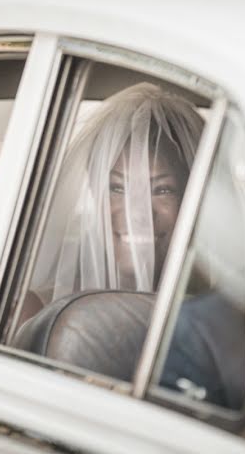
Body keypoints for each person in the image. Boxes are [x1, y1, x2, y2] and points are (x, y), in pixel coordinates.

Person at [30, 82, 205, 303]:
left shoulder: (225, 321)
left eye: (162, 190)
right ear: (93, 192)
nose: (137, 215)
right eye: (117, 188)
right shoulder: (36, 310)